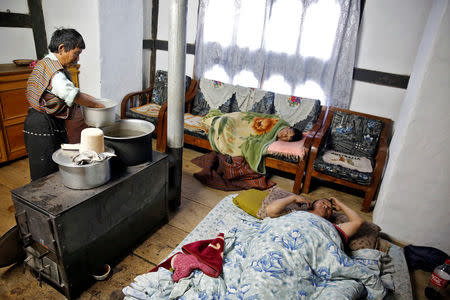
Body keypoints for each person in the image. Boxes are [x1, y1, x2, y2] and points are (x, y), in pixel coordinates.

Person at [24, 28, 104, 181]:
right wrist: (97, 106)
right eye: (76, 53)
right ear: (62, 48)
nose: (77, 59)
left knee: (49, 163)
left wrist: (94, 100)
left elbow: (74, 92)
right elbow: (73, 95)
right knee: (46, 170)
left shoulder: (45, 62)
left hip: (34, 119)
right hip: (42, 124)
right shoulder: (55, 74)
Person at [265, 195, 364, 242]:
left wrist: (340, 204)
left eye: (330, 208)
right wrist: (293, 198)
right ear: (311, 205)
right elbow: (270, 210)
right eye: (323, 202)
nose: (326, 207)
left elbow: (358, 222)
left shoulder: (331, 227)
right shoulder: (295, 213)